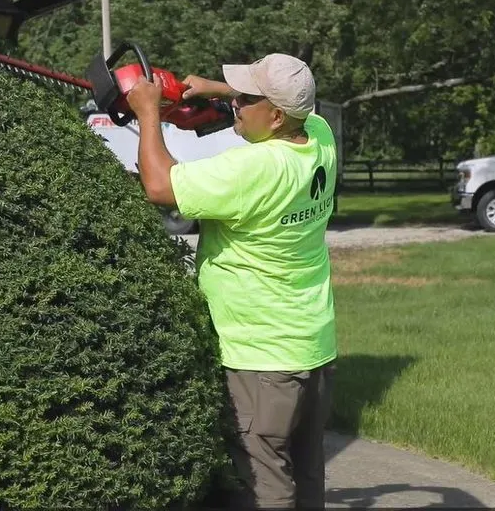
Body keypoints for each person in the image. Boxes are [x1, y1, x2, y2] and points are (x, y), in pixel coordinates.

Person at [125, 53, 338, 510]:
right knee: (306, 469)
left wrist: (147, 112)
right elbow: (303, 109)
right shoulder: (319, 139)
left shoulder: (256, 170)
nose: (235, 105)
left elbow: (160, 187)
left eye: (245, 99)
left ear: (276, 115)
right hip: (312, 346)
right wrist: (214, 89)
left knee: (264, 479)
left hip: (261, 356)